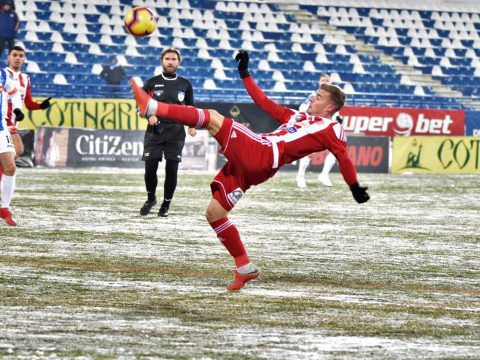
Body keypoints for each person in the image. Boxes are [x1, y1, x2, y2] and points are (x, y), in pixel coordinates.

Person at [129, 49, 370, 291]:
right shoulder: (297, 117)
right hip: (255, 167)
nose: (312, 99)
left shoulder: (331, 127)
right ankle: (245, 267)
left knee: (213, 117)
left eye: (318, 97)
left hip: (262, 153)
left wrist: (354, 186)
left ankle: (153, 107)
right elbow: (263, 102)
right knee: (214, 213)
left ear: (330, 108)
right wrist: (245, 73)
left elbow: (343, 157)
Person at [139, 47, 196, 218]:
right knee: (150, 169)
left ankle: (166, 203)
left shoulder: (185, 84)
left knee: (172, 170)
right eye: (167, 59)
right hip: (154, 133)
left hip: (176, 134)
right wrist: (149, 115)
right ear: (161, 61)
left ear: (179, 62)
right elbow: (140, 107)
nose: (170, 62)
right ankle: (151, 199)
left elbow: (191, 108)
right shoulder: (151, 83)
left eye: (174, 59)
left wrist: (192, 125)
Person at [3, 46, 51, 166]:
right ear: (8, 57)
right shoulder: (2, 75)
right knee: (18, 149)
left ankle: (3, 175)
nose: (17, 58)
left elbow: (28, 103)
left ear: (24, 59)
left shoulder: (25, 78)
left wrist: (41, 106)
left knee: (12, 153)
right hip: (4, 120)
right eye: (14, 55)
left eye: (21, 56)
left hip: (14, 122)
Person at [296, 73, 343, 188]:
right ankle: (300, 176)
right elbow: (302, 107)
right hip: (314, 125)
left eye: (327, 80)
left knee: (336, 150)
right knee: (308, 151)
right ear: (319, 83)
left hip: (327, 126)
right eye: (323, 80)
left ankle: (324, 175)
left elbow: (336, 112)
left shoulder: (333, 98)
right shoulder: (313, 95)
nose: (325, 82)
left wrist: (337, 118)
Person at [0, 67, 24, 226]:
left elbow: (14, 91)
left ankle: (4, 208)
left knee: (10, 167)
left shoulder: (2, 74)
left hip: (1, 128)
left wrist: (17, 108)